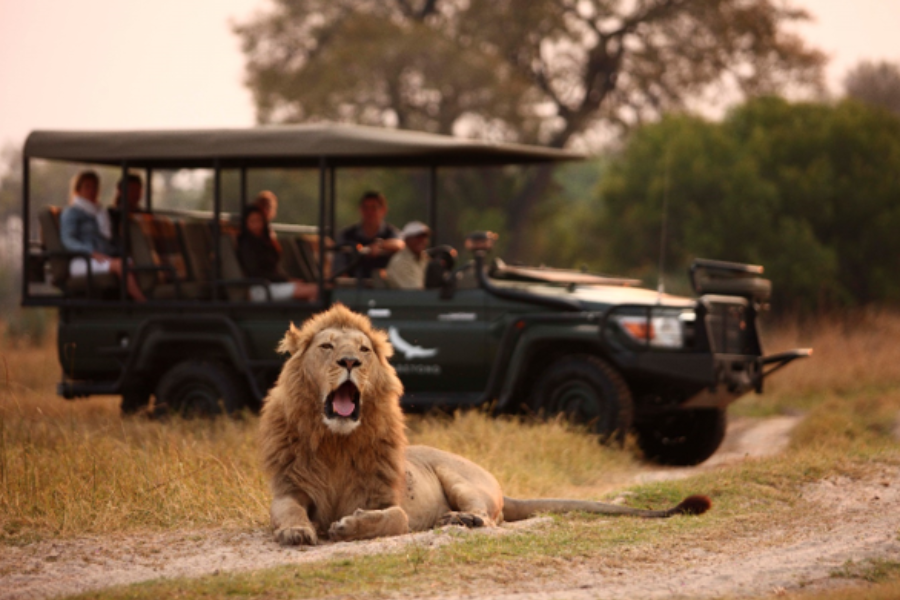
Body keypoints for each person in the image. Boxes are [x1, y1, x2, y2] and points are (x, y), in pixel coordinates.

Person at [59, 170, 146, 302]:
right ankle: (143, 303)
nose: (92, 190)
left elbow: (109, 240)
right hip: (83, 260)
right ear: (78, 189)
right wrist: (91, 252)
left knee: (134, 262)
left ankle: (139, 297)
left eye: (95, 187)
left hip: (103, 258)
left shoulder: (100, 213)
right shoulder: (72, 213)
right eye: (87, 186)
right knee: (121, 265)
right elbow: (68, 240)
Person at [237, 205, 317, 302]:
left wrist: (288, 280)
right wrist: (286, 281)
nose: (257, 225)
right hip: (260, 287)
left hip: (273, 285)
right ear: (246, 224)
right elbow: (257, 272)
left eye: (259, 221)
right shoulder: (246, 245)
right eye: (252, 222)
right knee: (314, 290)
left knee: (313, 290)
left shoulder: (265, 242)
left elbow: (274, 269)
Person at [336, 191, 404, 278]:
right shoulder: (346, 235)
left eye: (374, 208)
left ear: (383, 210)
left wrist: (381, 245)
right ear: (360, 209)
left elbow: (401, 244)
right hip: (352, 286)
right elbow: (338, 266)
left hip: (384, 287)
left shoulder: (391, 233)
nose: (369, 212)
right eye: (365, 208)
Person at [386, 221, 431, 290]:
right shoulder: (399, 262)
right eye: (417, 237)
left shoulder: (425, 259)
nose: (421, 240)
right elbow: (415, 293)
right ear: (407, 239)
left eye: (424, 237)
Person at [108, 173, 144, 249]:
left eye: (138, 190)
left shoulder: (144, 215)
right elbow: (114, 240)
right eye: (132, 190)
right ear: (121, 191)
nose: (135, 194)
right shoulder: (112, 215)